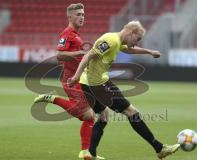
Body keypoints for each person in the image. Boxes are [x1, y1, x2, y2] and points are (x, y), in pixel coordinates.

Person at [68, 20, 180, 160]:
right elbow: (88, 55)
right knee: (131, 112)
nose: (136, 43)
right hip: (96, 83)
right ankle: (160, 149)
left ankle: (91, 154)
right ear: (131, 32)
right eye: (137, 39)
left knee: (103, 116)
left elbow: (129, 49)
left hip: (88, 83)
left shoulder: (117, 41)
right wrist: (75, 76)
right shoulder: (110, 40)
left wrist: (149, 52)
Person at [34, 3, 104, 160]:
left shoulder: (76, 35)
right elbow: (59, 54)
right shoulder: (67, 33)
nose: (82, 17)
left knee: (88, 115)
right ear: (70, 16)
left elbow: (73, 56)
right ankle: (52, 99)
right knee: (87, 115)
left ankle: (86, 152)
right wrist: (82, 52)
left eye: (84, 15)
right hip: (71, 80)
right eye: (78, 14)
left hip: (79, 78)